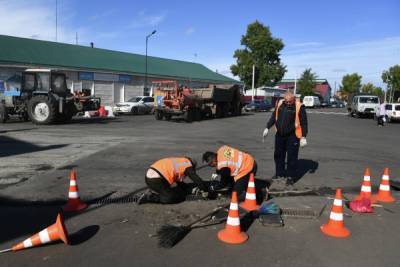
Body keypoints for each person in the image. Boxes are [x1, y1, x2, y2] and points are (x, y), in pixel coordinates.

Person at [263, 91, 308, 185]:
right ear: (284, 99)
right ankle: (279, 174)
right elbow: (274, 117)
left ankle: (291, 177)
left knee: (292, 157)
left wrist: (303, 136)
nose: (288, 103)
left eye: (290, 101)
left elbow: (304, 123)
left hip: (293, 136)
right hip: (279, 135)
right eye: (286, 101)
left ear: (294, 99)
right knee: (278, 155)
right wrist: (267, 127)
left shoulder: (299, 106)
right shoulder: (280, 104)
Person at [138, 157, 208, 204]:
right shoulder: (188, 166)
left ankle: (158, 193)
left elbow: (177, 179)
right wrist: (204, 190)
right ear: (193, 166)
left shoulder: (180, 161)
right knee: (172, 198)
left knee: (177, 190)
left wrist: (185, 187)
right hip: (156, 180)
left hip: (150, 177)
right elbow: (197, 179)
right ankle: (150, 197)